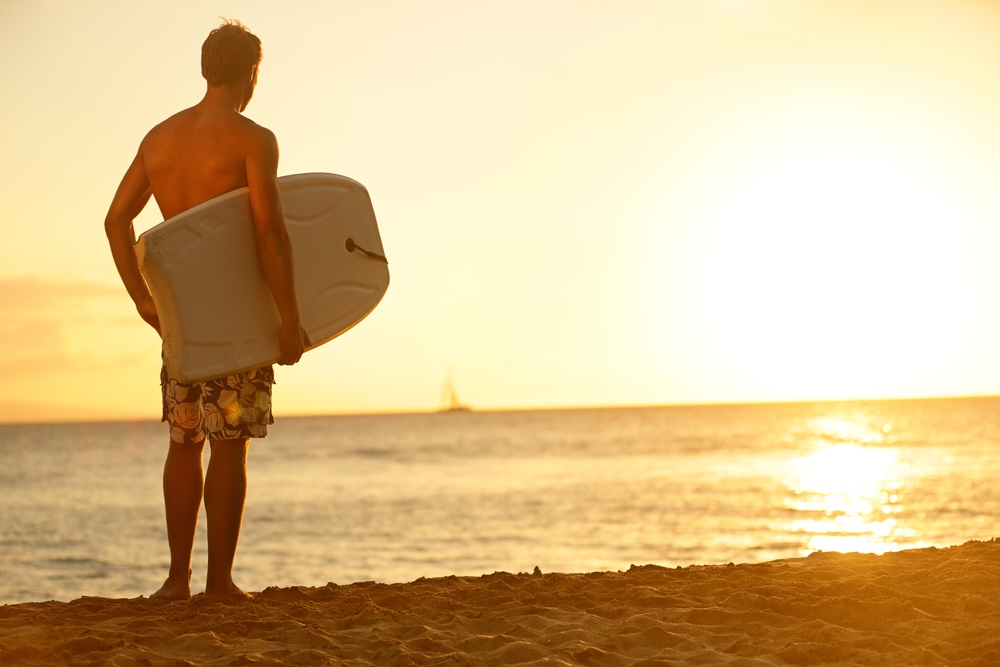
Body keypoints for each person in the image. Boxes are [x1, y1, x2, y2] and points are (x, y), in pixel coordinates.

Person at [104, 20, 306, 600]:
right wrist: (289, 319)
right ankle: (219, 582)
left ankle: (176, 581)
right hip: (239, 318)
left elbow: (117, 220)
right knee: (230, 444)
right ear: (250, 74)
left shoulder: (159, 139)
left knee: (183, 439)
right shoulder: (253, 139)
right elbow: (271, 234)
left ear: (202, 68)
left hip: (182, 322)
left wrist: (143, 299)